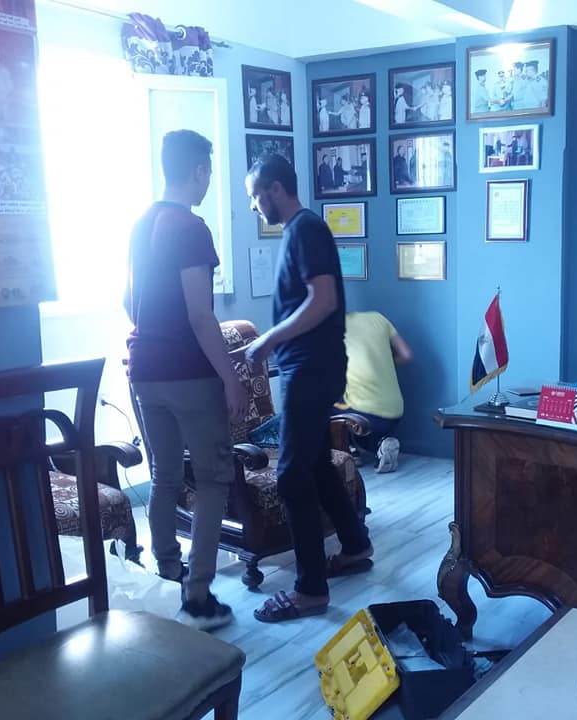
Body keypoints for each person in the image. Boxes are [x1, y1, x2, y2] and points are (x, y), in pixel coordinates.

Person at [125, 130, 248, 630]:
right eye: (208, 173)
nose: (208, 182)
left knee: (165, 475)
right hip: (188, 374)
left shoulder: (141, 222)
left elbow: (129, 300)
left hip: (144, 370)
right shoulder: (191, 228)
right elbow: (201, 315)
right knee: (214, 479)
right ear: (198, 171)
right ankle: (197, 598)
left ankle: (168, 572)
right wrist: (231, 378)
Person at [244, 154, 373, 623]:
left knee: (291, 475)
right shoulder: (300, 231)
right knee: (316, 463)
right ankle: (355, 546)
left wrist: (268, 339)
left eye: (256, 196)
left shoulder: (305, 230)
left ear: (275, 189)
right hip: (314, 366)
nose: (254, 206)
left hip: (310, 369)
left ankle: (310, 591)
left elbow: (323, 301)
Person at [334, 311, 413, 472]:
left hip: (361, 415)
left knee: (321, 400)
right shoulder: (378, 318)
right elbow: (406, 355)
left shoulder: (330, 330)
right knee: (366, 434)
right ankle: (380, 444)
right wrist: (383, 365)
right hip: (394, 411)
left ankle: (349, 450)